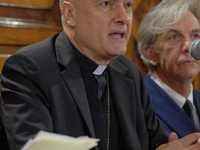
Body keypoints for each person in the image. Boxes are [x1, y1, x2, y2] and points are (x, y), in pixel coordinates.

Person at [1, 0, 200, 150]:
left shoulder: (130, 74)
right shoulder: (30, 68)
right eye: (107, 3)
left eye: (128, 4)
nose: (124, 17)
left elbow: (153, 144)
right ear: (70, 14)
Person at [138, 0, 200, 138]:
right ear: (151, 54)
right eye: (174, 37)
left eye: (195, 35)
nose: (189, 47)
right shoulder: (137, 106)